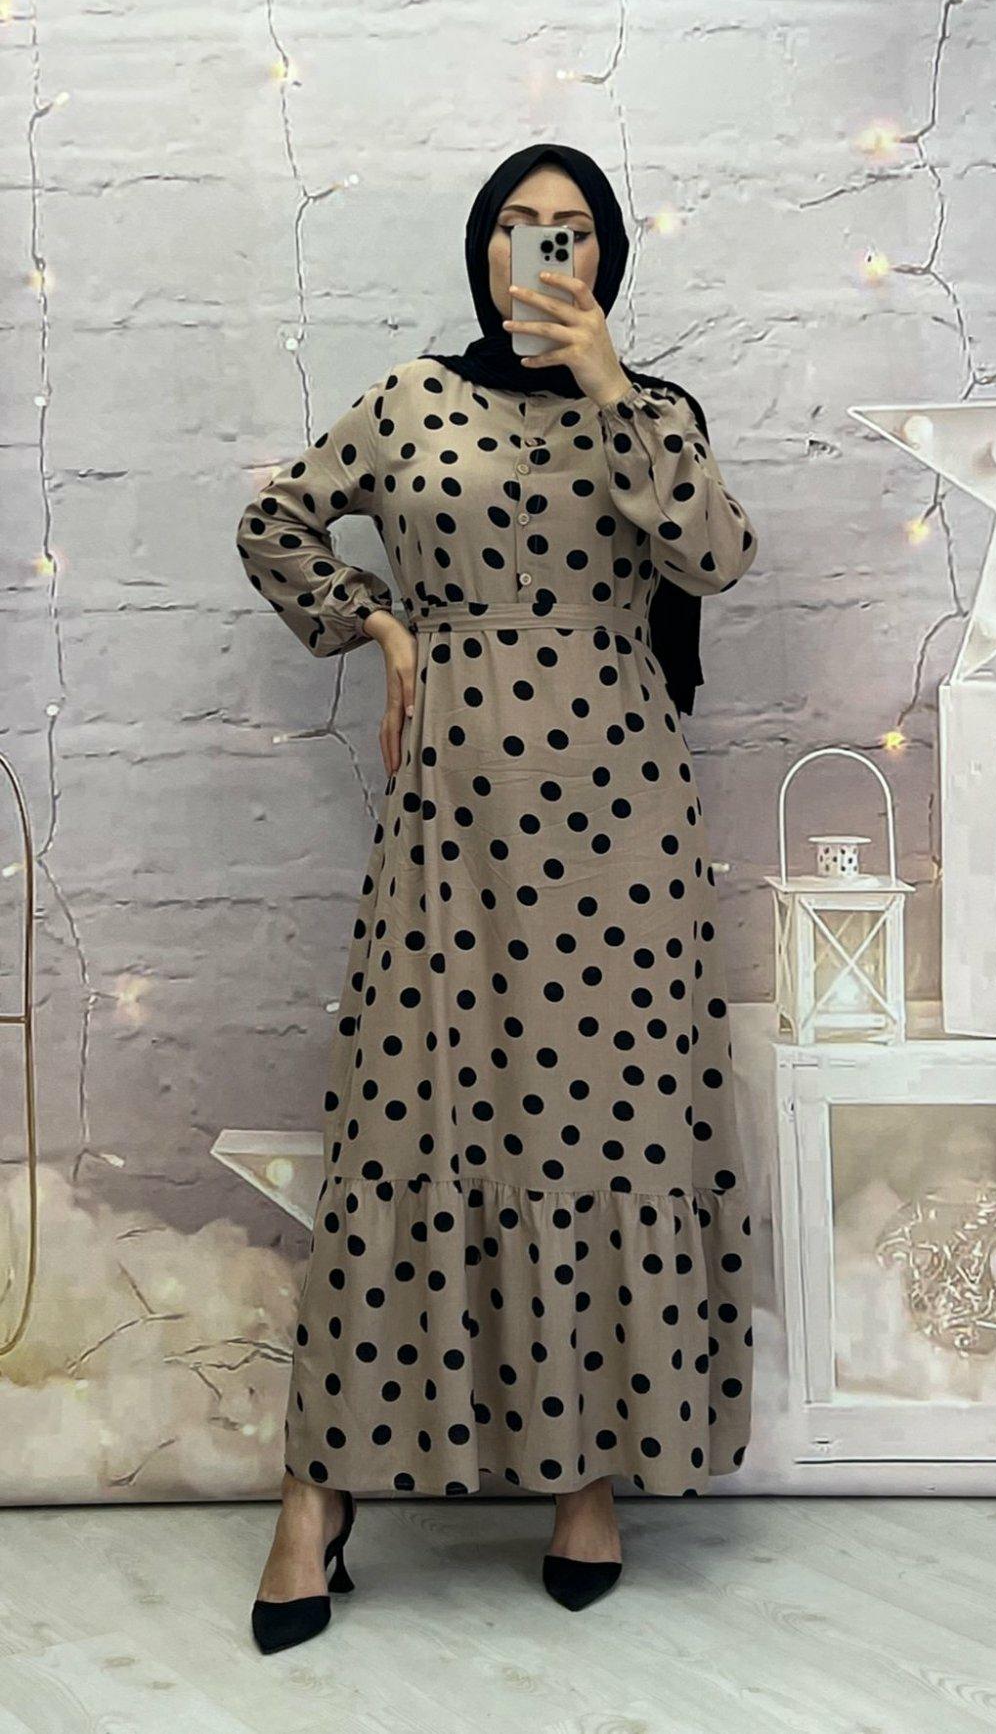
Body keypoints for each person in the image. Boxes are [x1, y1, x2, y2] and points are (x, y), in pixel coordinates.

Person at [236, 142, 759, 1653]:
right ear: (482, 252)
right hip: (454, 816)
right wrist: (382, 626)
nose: (545, 250)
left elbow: (718, 556)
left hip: (621, 830)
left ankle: (588, 1475)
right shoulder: (410, 401)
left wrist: (608, 384)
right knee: (405, 1121)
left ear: (605, 260)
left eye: (572, 231)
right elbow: (276, 522)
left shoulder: (652, 414)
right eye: (520, 228)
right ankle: (317, 1493)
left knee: (606, 1130)